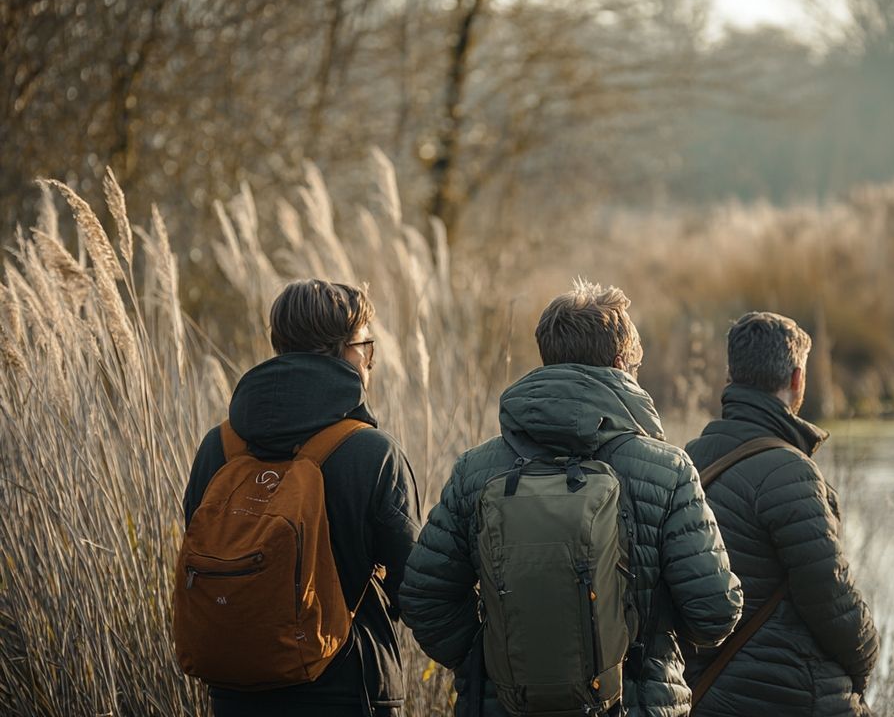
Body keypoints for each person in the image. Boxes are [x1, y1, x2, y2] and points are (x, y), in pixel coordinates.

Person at [398, 280, 743, 717]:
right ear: (620, 364)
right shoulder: (666, 470)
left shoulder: (477, 469)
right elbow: (714, 611)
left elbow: (423, 597)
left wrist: (495, 659)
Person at [181, 279, 421, 716]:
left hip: (237, 693)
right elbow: (414, 583)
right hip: (350, 689)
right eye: (367, 347)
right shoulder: (371, 451)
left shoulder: (218, 445)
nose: (370, 362)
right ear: (347, 351)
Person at [682, 311, 879, 717]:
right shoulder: (790, 471)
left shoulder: (688, 460)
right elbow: (829, 593)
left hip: (704, 693)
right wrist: (866, 657)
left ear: (731, 375)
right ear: (796, 379)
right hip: (790, 694)